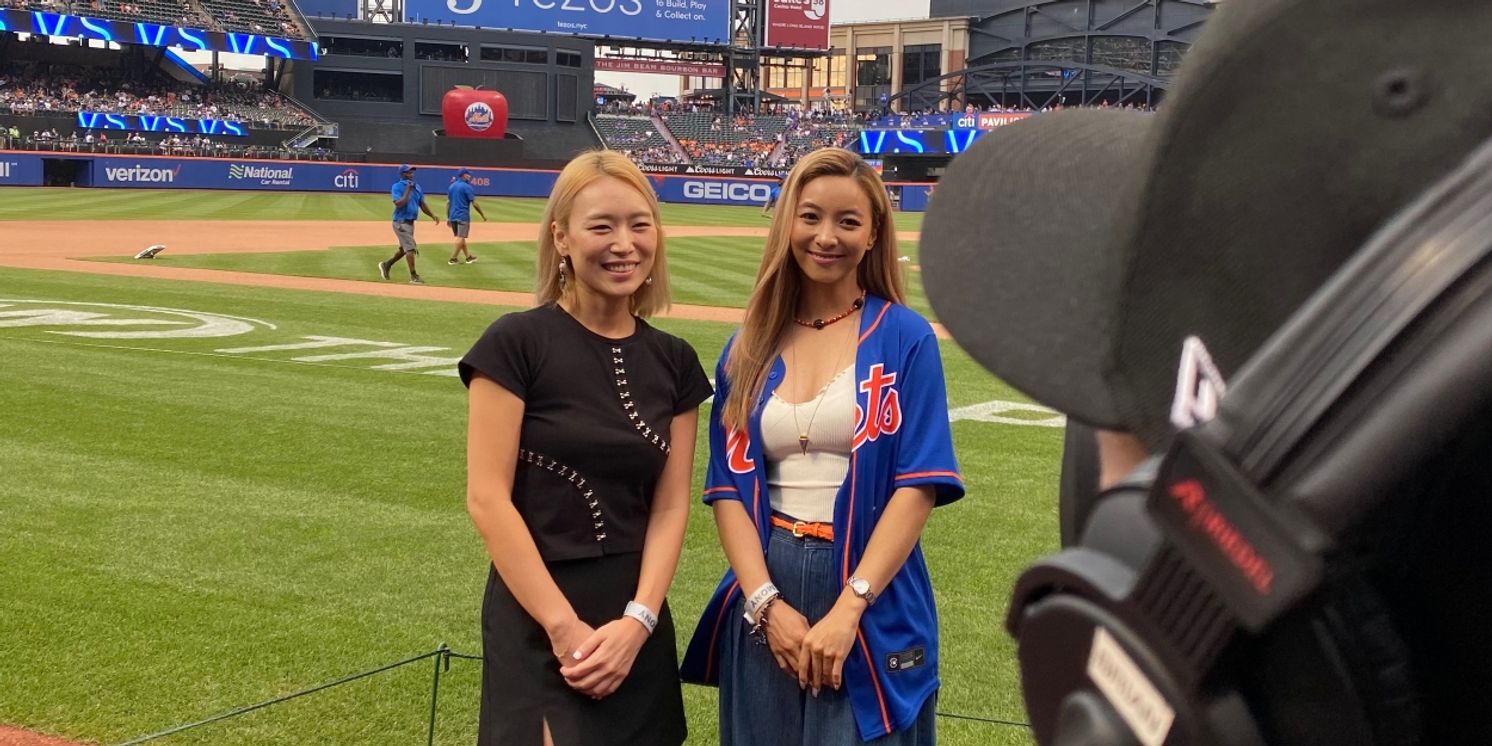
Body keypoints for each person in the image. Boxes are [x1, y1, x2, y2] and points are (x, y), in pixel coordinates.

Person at [680, 148, 964, 745]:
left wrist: (849, 607)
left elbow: (918, 485)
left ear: (872, 235)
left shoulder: (905, 338)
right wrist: (764, 605)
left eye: (848, 221)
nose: (826, 237)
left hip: (869, 584)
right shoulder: (745, 346)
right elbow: (725, 488)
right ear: (787, 222)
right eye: (810, 217)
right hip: (768, 584)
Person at [459, 150, 712, 746]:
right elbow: (487, 499)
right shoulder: (515, 343)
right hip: (539, 614)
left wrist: (639, 621)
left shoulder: (675, 361)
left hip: (637, 618)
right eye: (602, 225)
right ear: (562, 238)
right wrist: (563, 627)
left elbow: (671, 506)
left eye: (639, 223)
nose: (624, 243)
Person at [378, 164, 438, 284]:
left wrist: (432, 215)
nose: (411, 174)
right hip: (400, 222)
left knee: (403, 249)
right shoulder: (397, 187)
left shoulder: (417, 187)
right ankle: (414, 276)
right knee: (410, 248)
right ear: (403, 174)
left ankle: (386, 265)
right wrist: (407, 190)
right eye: (409, 172)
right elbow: (399, 203)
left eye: (412, 172)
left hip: (410, 223)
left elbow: (422, 204)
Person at [446, 168, 487, 265]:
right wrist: (482, 215)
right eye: (468, 174)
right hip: (462, 216)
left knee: (461, 237)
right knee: (460, 237)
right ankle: (453, 258)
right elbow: (474, 203)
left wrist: (448, 217)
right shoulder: (467, 187)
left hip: (453, 216)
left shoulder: (451, 186)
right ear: (463, 175)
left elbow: (448, 203)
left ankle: (468, 257)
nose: (470, 176)